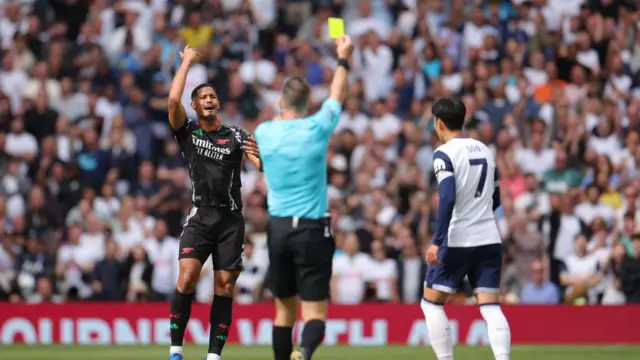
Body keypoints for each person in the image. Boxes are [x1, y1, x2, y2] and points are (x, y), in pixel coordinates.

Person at [253, 35, 354, 360]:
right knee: (315, 313)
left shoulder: (264, 132)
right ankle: (305, 351)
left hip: (278, 228)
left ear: (281, 103)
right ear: (308, 103)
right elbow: (337, 94)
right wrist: (343, 58)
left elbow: (257, 161)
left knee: (283, 311)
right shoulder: (316, 128)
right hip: (312, 229)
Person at [165, 45, 262, 360]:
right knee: (187, 278)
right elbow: (171, 101)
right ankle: (176, 350)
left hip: (231, 222)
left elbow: (260, 165)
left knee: (224, 287)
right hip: (201, 217)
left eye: (212, 97)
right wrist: (187, 63)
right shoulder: (187, 132)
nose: (209, 100)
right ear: (193, 105)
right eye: (202, 97)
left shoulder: (236, 135)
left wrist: (263, 160)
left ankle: (213, 356)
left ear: (218, 103)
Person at [422, 98, 511, 360]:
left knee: (431, 304)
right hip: (489, 237)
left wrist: (438, 241)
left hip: (457, 238)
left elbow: (447, 197)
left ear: (439, 122)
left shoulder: (443, 154)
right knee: (491, 306)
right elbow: (496, 198)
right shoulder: (485, 150)